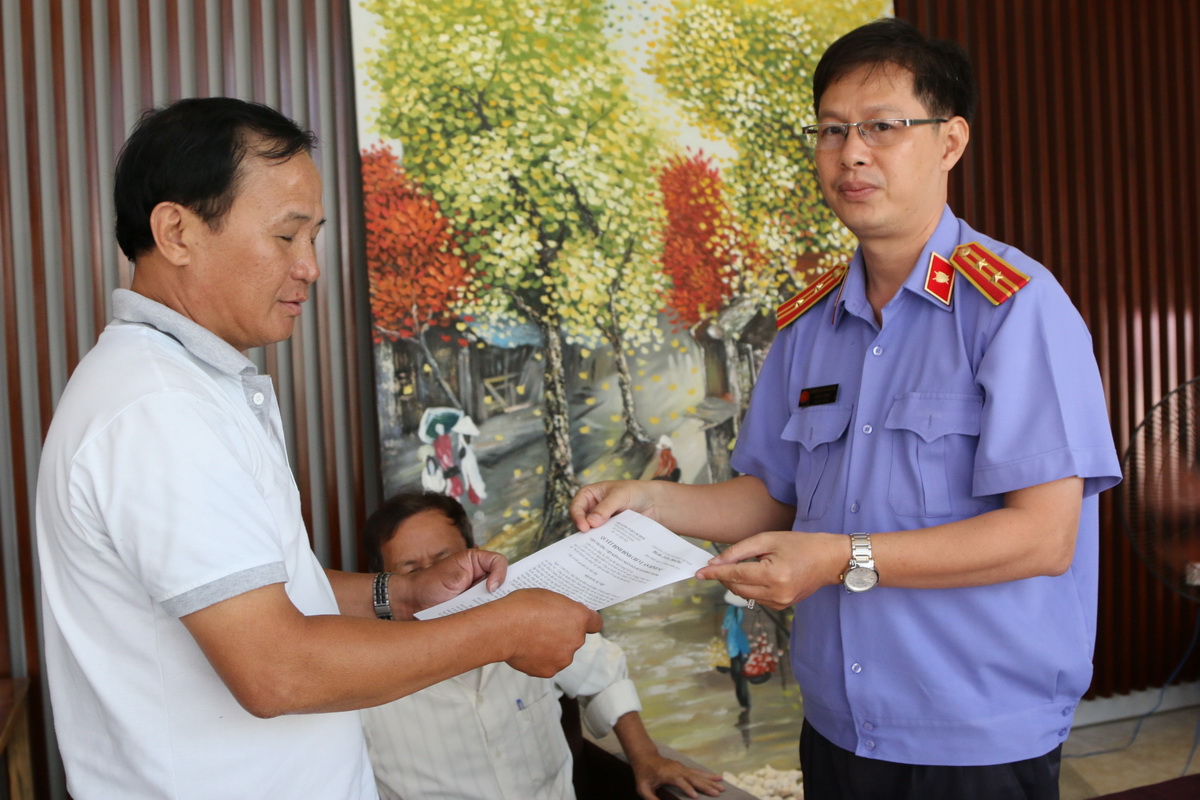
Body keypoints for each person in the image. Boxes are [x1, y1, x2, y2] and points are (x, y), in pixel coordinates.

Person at [571, 18, 1121, 800]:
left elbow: (1043, 536)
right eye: (832, 131)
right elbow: (773, 496)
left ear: (950, 142)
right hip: (838, 722)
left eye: (882, 127)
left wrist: (837, 558)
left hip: (973, 731)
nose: (852, 153)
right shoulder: (809, 326)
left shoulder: (1015, 308)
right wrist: (648, 501)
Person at [34, 97, 600, 800]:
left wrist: (401, 594)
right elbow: (276, 670)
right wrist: (503, 630)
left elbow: (254, 590)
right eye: (286, 236)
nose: (309, 267)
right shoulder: (158, 409)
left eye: (314, 237)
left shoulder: (185, 385)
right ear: (177, 231)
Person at [359, 491, 724, 800]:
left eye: (444, 559)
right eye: (411, 571)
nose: (434, 578)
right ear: (383, 582)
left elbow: (605, 676)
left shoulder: (529, 617)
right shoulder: (362, 673)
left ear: (475, 554)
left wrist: (647, 758)